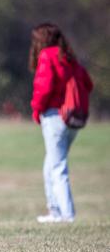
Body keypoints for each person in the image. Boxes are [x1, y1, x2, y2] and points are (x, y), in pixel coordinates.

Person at [29, 22, 93, 224]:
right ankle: (55, 211)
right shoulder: (68, 57)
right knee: (51, 165)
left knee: (57, 167)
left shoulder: (47, 56)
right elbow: (88, 84)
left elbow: (43, 87)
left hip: (54, 116)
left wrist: (36, 109)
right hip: (73, 118)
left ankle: (66, 215)